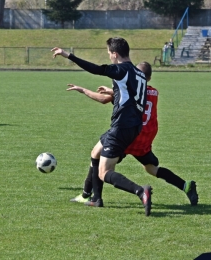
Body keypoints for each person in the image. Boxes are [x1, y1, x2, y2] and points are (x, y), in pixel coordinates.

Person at [67, 62, 198, 207]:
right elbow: (141, 93)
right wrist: (113, 90)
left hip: (129, 133)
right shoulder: (154, 92)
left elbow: (104, 99)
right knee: (151, 168)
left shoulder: (132, 91)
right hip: (145, 136)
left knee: (100, 160)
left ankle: (97, 197)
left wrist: (83, 90)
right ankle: (185, 185)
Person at [52, 37, 152, 216]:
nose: (109, 57)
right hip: (134, 126)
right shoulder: (139, 74)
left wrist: (69, 56)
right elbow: (131, 94)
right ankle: (96, 199)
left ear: (115, 54)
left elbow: (96, 69)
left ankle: (140, 191)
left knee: (104, 172)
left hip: (122, 126)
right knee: (95, 152)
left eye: (109, 54)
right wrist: (113, 91)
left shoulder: (120, 70)